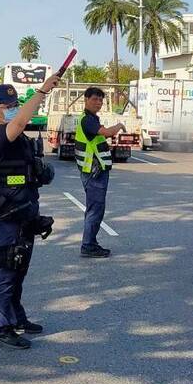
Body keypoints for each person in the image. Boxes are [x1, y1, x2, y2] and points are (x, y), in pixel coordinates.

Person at [0, 74, 60, 349]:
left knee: (19, 270)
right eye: (8, 106)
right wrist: (42, 91)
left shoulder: (19, 138)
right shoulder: (0, 136)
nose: (14, 110)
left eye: (16, 104)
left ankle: (16, 318)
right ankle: (1, 328)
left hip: (22, 213)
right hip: (3, 215)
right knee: (6, 270)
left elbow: (25, 173)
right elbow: (19, 123)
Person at [75, 87, 125, 258]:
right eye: (95, 99)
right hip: (93, 173)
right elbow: (108, 132)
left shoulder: (91, 119)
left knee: (94, 209)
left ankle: (91, 243)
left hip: (94, 171)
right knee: (95, 210)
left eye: (101, 100)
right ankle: (88, 246)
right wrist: (119, 125)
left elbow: (97, 141)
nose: (98, 103)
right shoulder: (88, 120)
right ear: (86, 100)